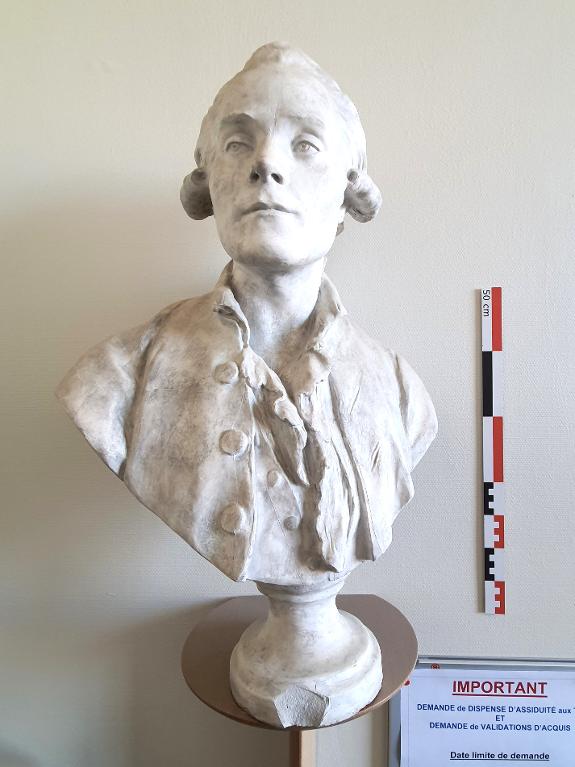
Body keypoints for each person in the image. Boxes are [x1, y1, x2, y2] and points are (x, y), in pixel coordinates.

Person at [57, 42, 437, 585]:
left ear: (347, 191)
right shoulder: (116, 379)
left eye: (305, 145)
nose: (266, 164)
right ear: (209, 182)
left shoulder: (401, 393)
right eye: (238, 144)